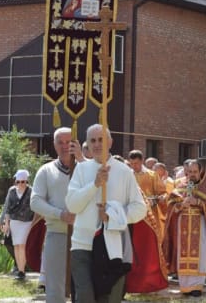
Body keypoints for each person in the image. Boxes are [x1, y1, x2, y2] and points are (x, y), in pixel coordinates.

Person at [65, 124, 147, 302]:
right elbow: (72, 205)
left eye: (101, 139)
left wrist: (112, 215)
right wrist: (94, 184)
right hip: (82, 245)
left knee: (107, 298)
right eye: (92, 140)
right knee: (84, 297)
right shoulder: (81, 169)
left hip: (112, 246)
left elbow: (140, 209)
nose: (96, 144)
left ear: (110, 142)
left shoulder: (124, 172)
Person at [30, 126, 83, 303]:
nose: (64, 146)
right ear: (54, 145)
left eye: (68, 142)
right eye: (60, 142)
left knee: (85, 290)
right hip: (57, 234)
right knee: (55, 290)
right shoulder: (46, 171)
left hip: (86, 237)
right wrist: (60, 214)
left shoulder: (87, 169)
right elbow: (35, 201)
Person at [163, 159, 206, 297]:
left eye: (195, 172)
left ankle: (197, 286)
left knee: (201, 254)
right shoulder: (180, 186)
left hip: (201, 226)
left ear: (201, 172)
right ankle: (185, 286)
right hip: (183, 225)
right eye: (190, 171)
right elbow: (170, 207)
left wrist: (198, 202)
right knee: (183, 254)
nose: (192, 174)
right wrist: (180, 205)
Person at [3, 169, 34, 280]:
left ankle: (22, 269)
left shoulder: (31, 191)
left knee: (23, 245)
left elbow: (34, 208)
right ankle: (20, 270)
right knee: (16, 245)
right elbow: (7, 209)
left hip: (27, 222)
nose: (20, 184)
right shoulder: (12, 191)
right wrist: (6, 223)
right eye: (18, 182)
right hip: (15, 222)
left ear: (26, 181)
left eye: (23, 182)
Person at [128, 150, 167, 237]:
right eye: (132, 163)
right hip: (132, 213)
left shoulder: (152, 175)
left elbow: (162, 192)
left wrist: (161, 198)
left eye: (136, 163)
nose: (134, 166)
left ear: (142, 161)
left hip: (150, 213)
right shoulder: (128, 175)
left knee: (149, 240)